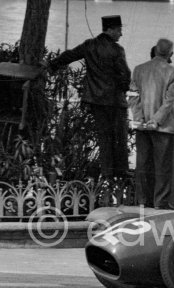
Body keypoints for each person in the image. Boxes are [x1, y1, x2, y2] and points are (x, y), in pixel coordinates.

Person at [46, 15, 131, 180]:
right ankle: (120, 171)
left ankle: (107, 171)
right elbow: (125, 74)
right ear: (111, 30)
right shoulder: (117, 50)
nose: (121, 34)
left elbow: (68, 56)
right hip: (114, 101)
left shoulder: (89, 45)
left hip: (95, 100)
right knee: (120, 136)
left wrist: (52, 66)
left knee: (104, 136)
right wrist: (124, 88)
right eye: (119, 30)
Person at [130, 39, 174, 209]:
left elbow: (133, 96)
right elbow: (169, 102)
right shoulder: (173, 72)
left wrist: (141, 119)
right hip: (164, 127)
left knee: (143, 165)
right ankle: (161, 203)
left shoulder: (139, 69)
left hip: (142, 125)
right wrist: (156, 121)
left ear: (155, 50)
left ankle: (143, 202)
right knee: (163, 168)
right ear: (171, 54)